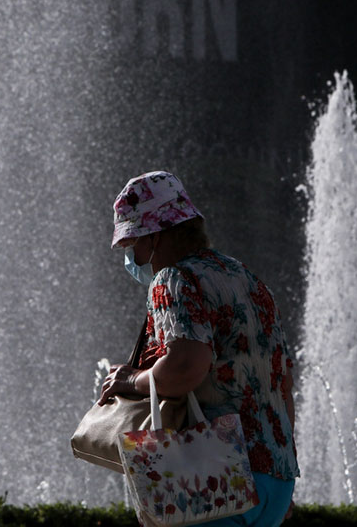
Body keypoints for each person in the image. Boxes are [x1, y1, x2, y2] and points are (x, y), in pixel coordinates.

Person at [99, 171, 299, 526]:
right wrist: (281, 480)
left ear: (156, 235)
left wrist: (129, 381)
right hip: (275, 477)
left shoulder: (174, 279)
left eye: (134, 244)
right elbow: (282, 383)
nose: (133, 257)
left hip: (216, 471)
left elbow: (186, 367)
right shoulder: (247, 278)